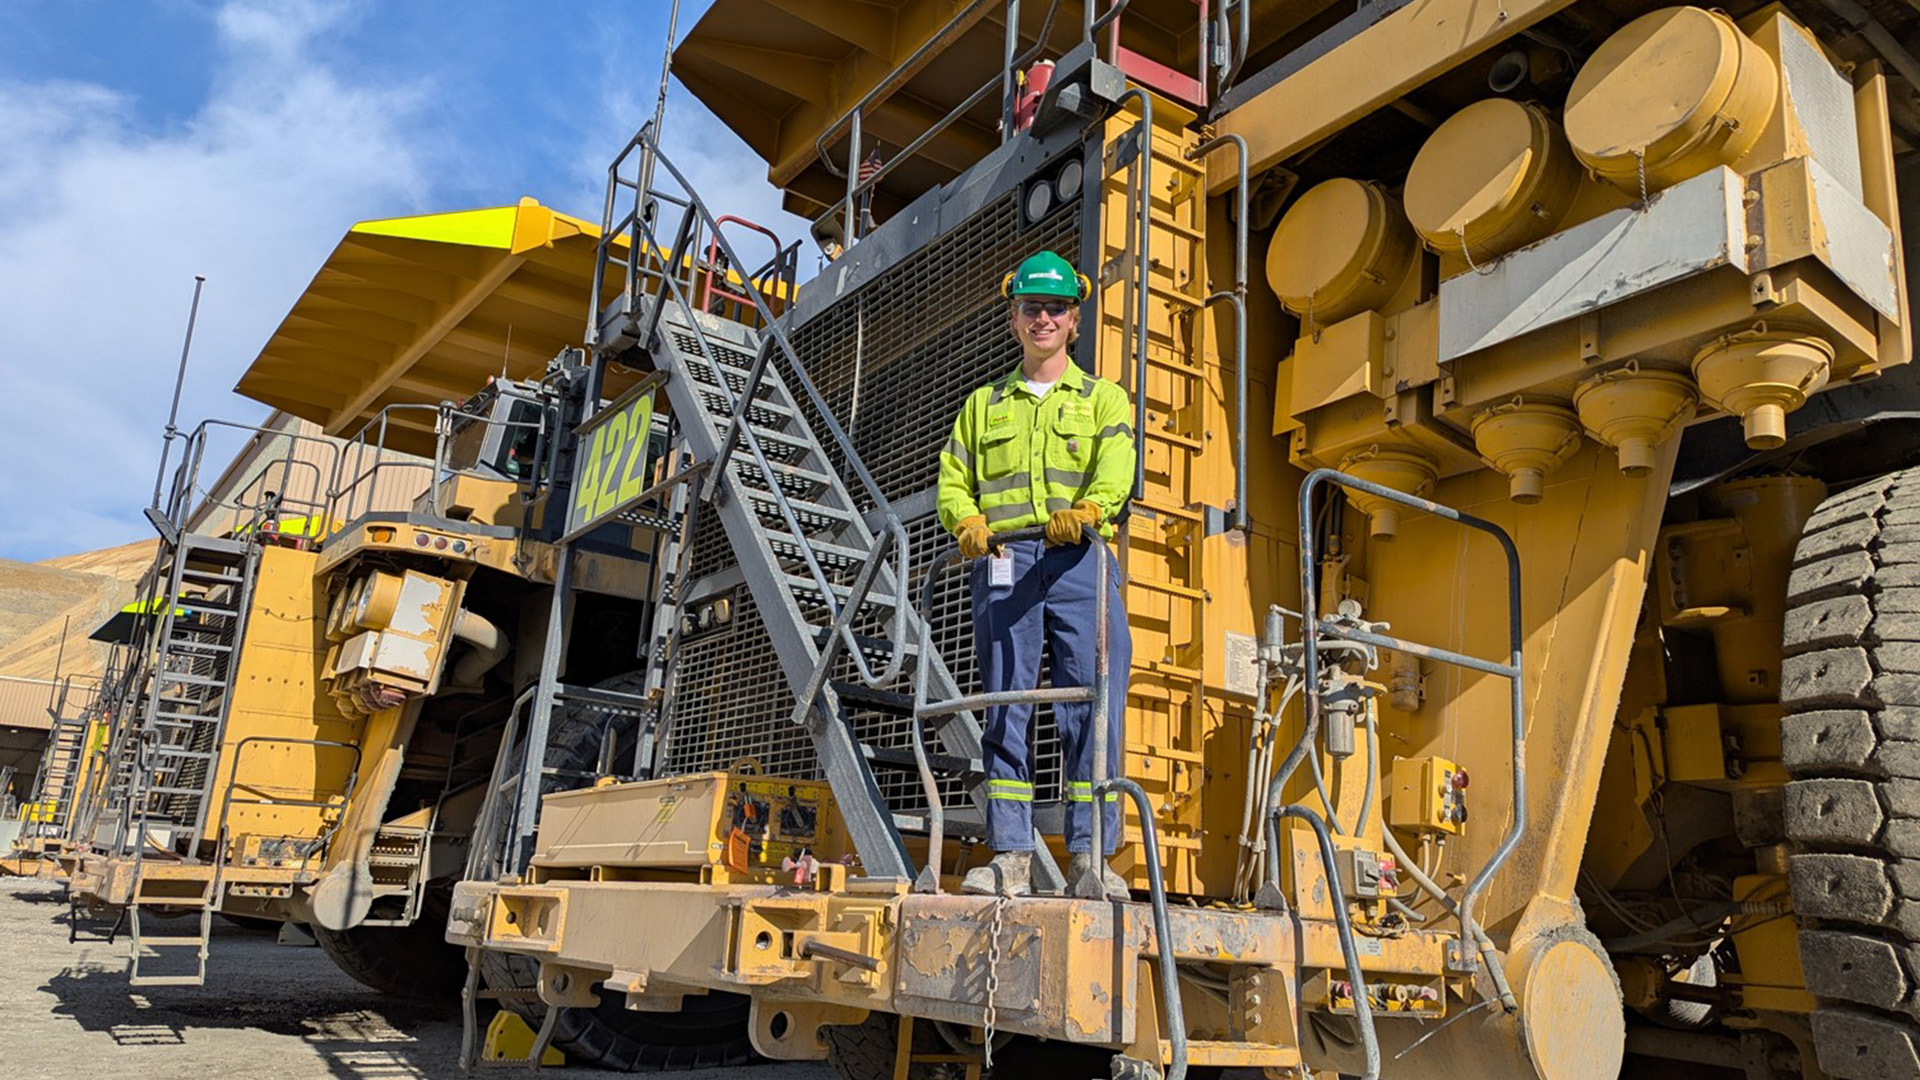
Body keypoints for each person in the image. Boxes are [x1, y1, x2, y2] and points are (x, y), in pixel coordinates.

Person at [936, 251, 1136, 898]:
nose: (1043, 318)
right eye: (1031, 308)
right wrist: (964, 521)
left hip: (1080, 558)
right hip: (1004, 560)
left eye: (1055, 308)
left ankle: (1091, 861)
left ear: (1074, 321)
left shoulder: (1104, 399)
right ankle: (1012, 858)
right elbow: (953, 481)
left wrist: (1090, 511)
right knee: (1005, 709)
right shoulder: (981, 405)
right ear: (1014, 320)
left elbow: (1117, 469)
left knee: (1095, 710)